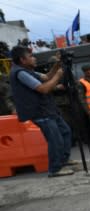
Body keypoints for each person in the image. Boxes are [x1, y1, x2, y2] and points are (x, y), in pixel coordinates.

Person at [9, 46, 76, 177]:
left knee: (65, 132)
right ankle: (55, 169)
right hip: (39, 112)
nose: (34, 58)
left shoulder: (28, 71)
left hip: (48, 109)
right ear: (22, 60)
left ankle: (63, 160)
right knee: (55, 140)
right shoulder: (20, 73)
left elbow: (46, 77)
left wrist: (57, 64)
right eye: (30, 56)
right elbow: (44, 89)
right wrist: (58, 76)